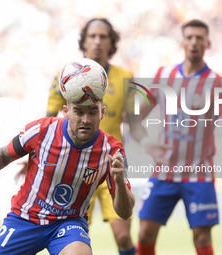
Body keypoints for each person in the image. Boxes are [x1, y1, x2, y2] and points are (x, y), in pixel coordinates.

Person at [16, 18, 140, 255]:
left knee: (123, 236)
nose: (97, 41)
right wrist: (31, 159)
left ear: (111, 43)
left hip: (110, 163)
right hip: (73, 168)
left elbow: (134, 125)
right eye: (92, 36)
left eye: (103, 36)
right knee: (75, 235)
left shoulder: (126, 77)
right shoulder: (64, 76)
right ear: (83, 40)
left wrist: (152, 147)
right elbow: (47, 125)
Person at [0, 91, 135, 254]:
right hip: (25, 219)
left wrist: (119, 181)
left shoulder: (112, 151)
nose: (86, 119)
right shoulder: (41, 130)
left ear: (102, 112)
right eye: (79, 112)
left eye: (93, 112)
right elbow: (4, 155)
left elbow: (125, 213)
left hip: (68, 222)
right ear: (66, 111)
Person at [136, 20, 222, 255]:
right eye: (190, 37)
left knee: (202, 238)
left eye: (199, 38)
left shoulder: (218, 83)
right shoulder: (164, 75)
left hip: (199, 172)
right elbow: (137, 116)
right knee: (144, 233)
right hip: (163, 170)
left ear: (208, 43)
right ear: (182, 42)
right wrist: (146, 143)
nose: (194, 42)